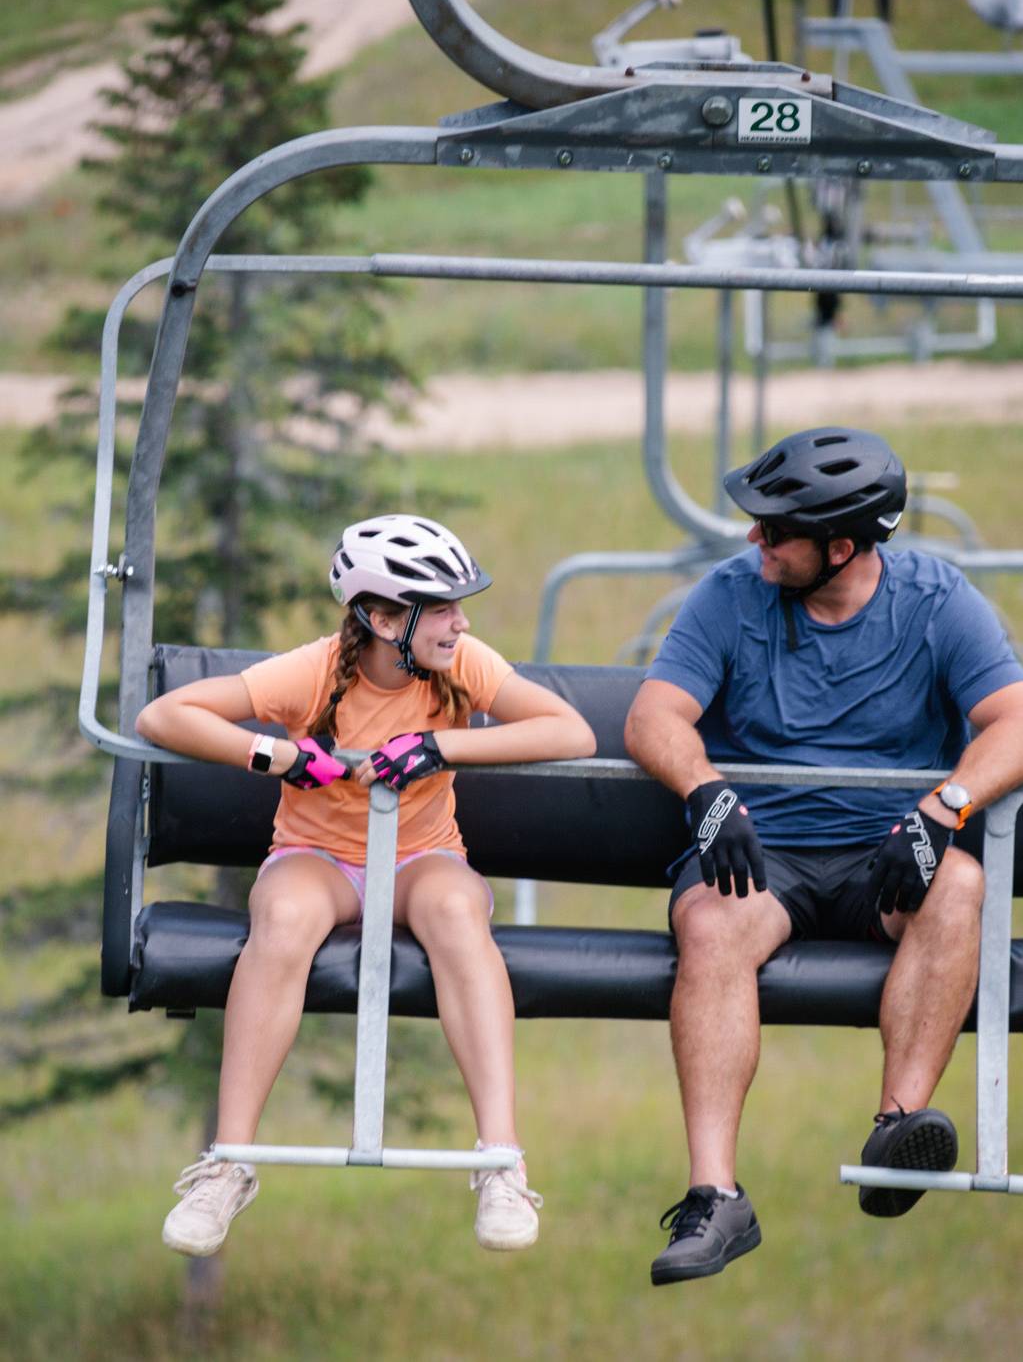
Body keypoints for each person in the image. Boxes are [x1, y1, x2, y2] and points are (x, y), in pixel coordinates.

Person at [624, 427, 1023, 1285]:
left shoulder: (934, 599)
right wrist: (704, 789)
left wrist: (944, 805)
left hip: (886, 859)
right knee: (710, 922)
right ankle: (714, 1194)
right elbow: (653, 715)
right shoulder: (730, 596)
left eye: (774, 531)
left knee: (958, 887)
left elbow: (1015, 717)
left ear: (840, 547)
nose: (752, 541)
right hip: (760, 854)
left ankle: (896, 1128)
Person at [137, 513, 596, 1258]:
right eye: (441, 608)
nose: (460, 621)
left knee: (454, 910)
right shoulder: (314, 672)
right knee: (282, 919)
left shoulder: (461, 663)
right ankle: (228, 1162)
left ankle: (501, 1162)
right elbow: (164, 714)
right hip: (319, 856)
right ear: (382, 617)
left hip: (421, 858)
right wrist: (277, 756)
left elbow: (569, 732)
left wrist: (440, 744)